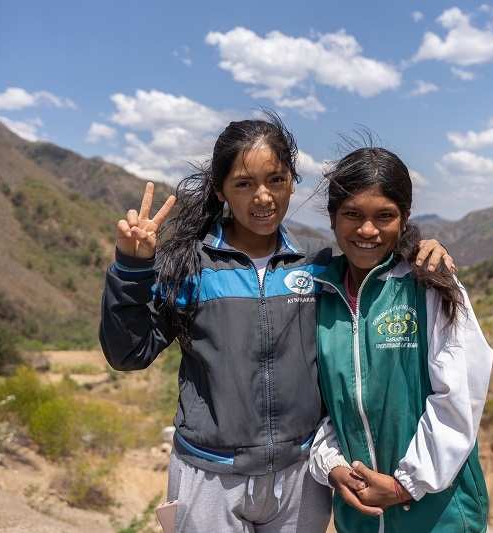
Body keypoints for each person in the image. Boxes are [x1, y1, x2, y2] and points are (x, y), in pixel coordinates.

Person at [99, 113, 454, 532]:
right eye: (244, 184)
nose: (263, 197)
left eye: (276, 180)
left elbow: (375, 255)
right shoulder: (190, 267)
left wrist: (421, 248)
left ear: (292, 182)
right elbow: (128, 353)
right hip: (210, 476)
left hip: (300, 478)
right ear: (220, 190)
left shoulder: (318, 266)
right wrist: (132, 267)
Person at [309, 146, 493, 533]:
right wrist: (333, 466)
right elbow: (320, 407)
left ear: (404, 218)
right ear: (332, 217)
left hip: (437, 516)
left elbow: (459, 399)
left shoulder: (430, 286)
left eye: (384, 216)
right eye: (352, 215)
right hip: (359, 515)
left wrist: (404, 485)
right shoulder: (318, 294)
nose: (367, 230)